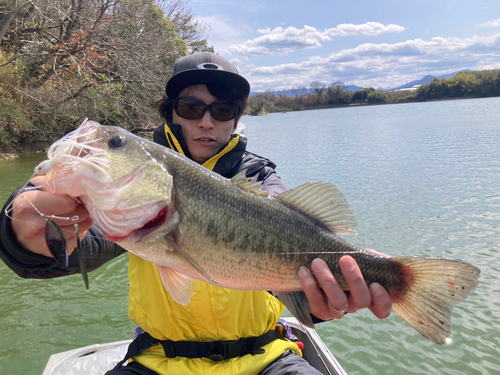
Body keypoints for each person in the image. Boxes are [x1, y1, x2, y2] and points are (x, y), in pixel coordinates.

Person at [0, 52, 392, 374]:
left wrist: (326, 301)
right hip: (156, 360)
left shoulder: (260, 177)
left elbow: (296, 259)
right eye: (192, 107)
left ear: (236, 118)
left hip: (266, 358)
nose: (207, 121)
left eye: (222, 110)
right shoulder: (133, 199)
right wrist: (21, 234)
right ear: (172, 113)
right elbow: (74, 250)